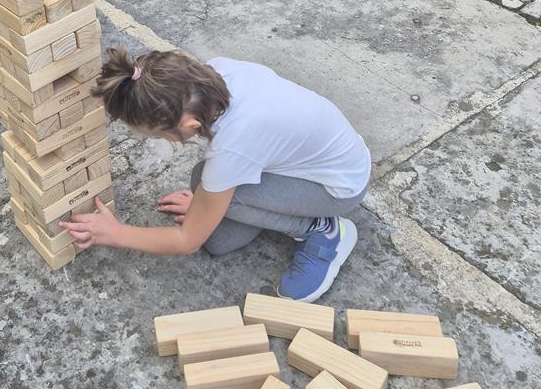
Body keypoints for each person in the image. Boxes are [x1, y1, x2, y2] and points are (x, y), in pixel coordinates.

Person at [60, 47, 371, 302]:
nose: (164, 141)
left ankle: (323, 229)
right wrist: (205, 209)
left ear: (189, 125)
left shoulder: (235, 145)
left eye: (158, 136)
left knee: (208, 186)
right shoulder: (211, 74)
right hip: (306, 162)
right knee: (219, 239)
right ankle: (266, 210)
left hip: (337, 188)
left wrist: (115, 233)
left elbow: (186, 241)